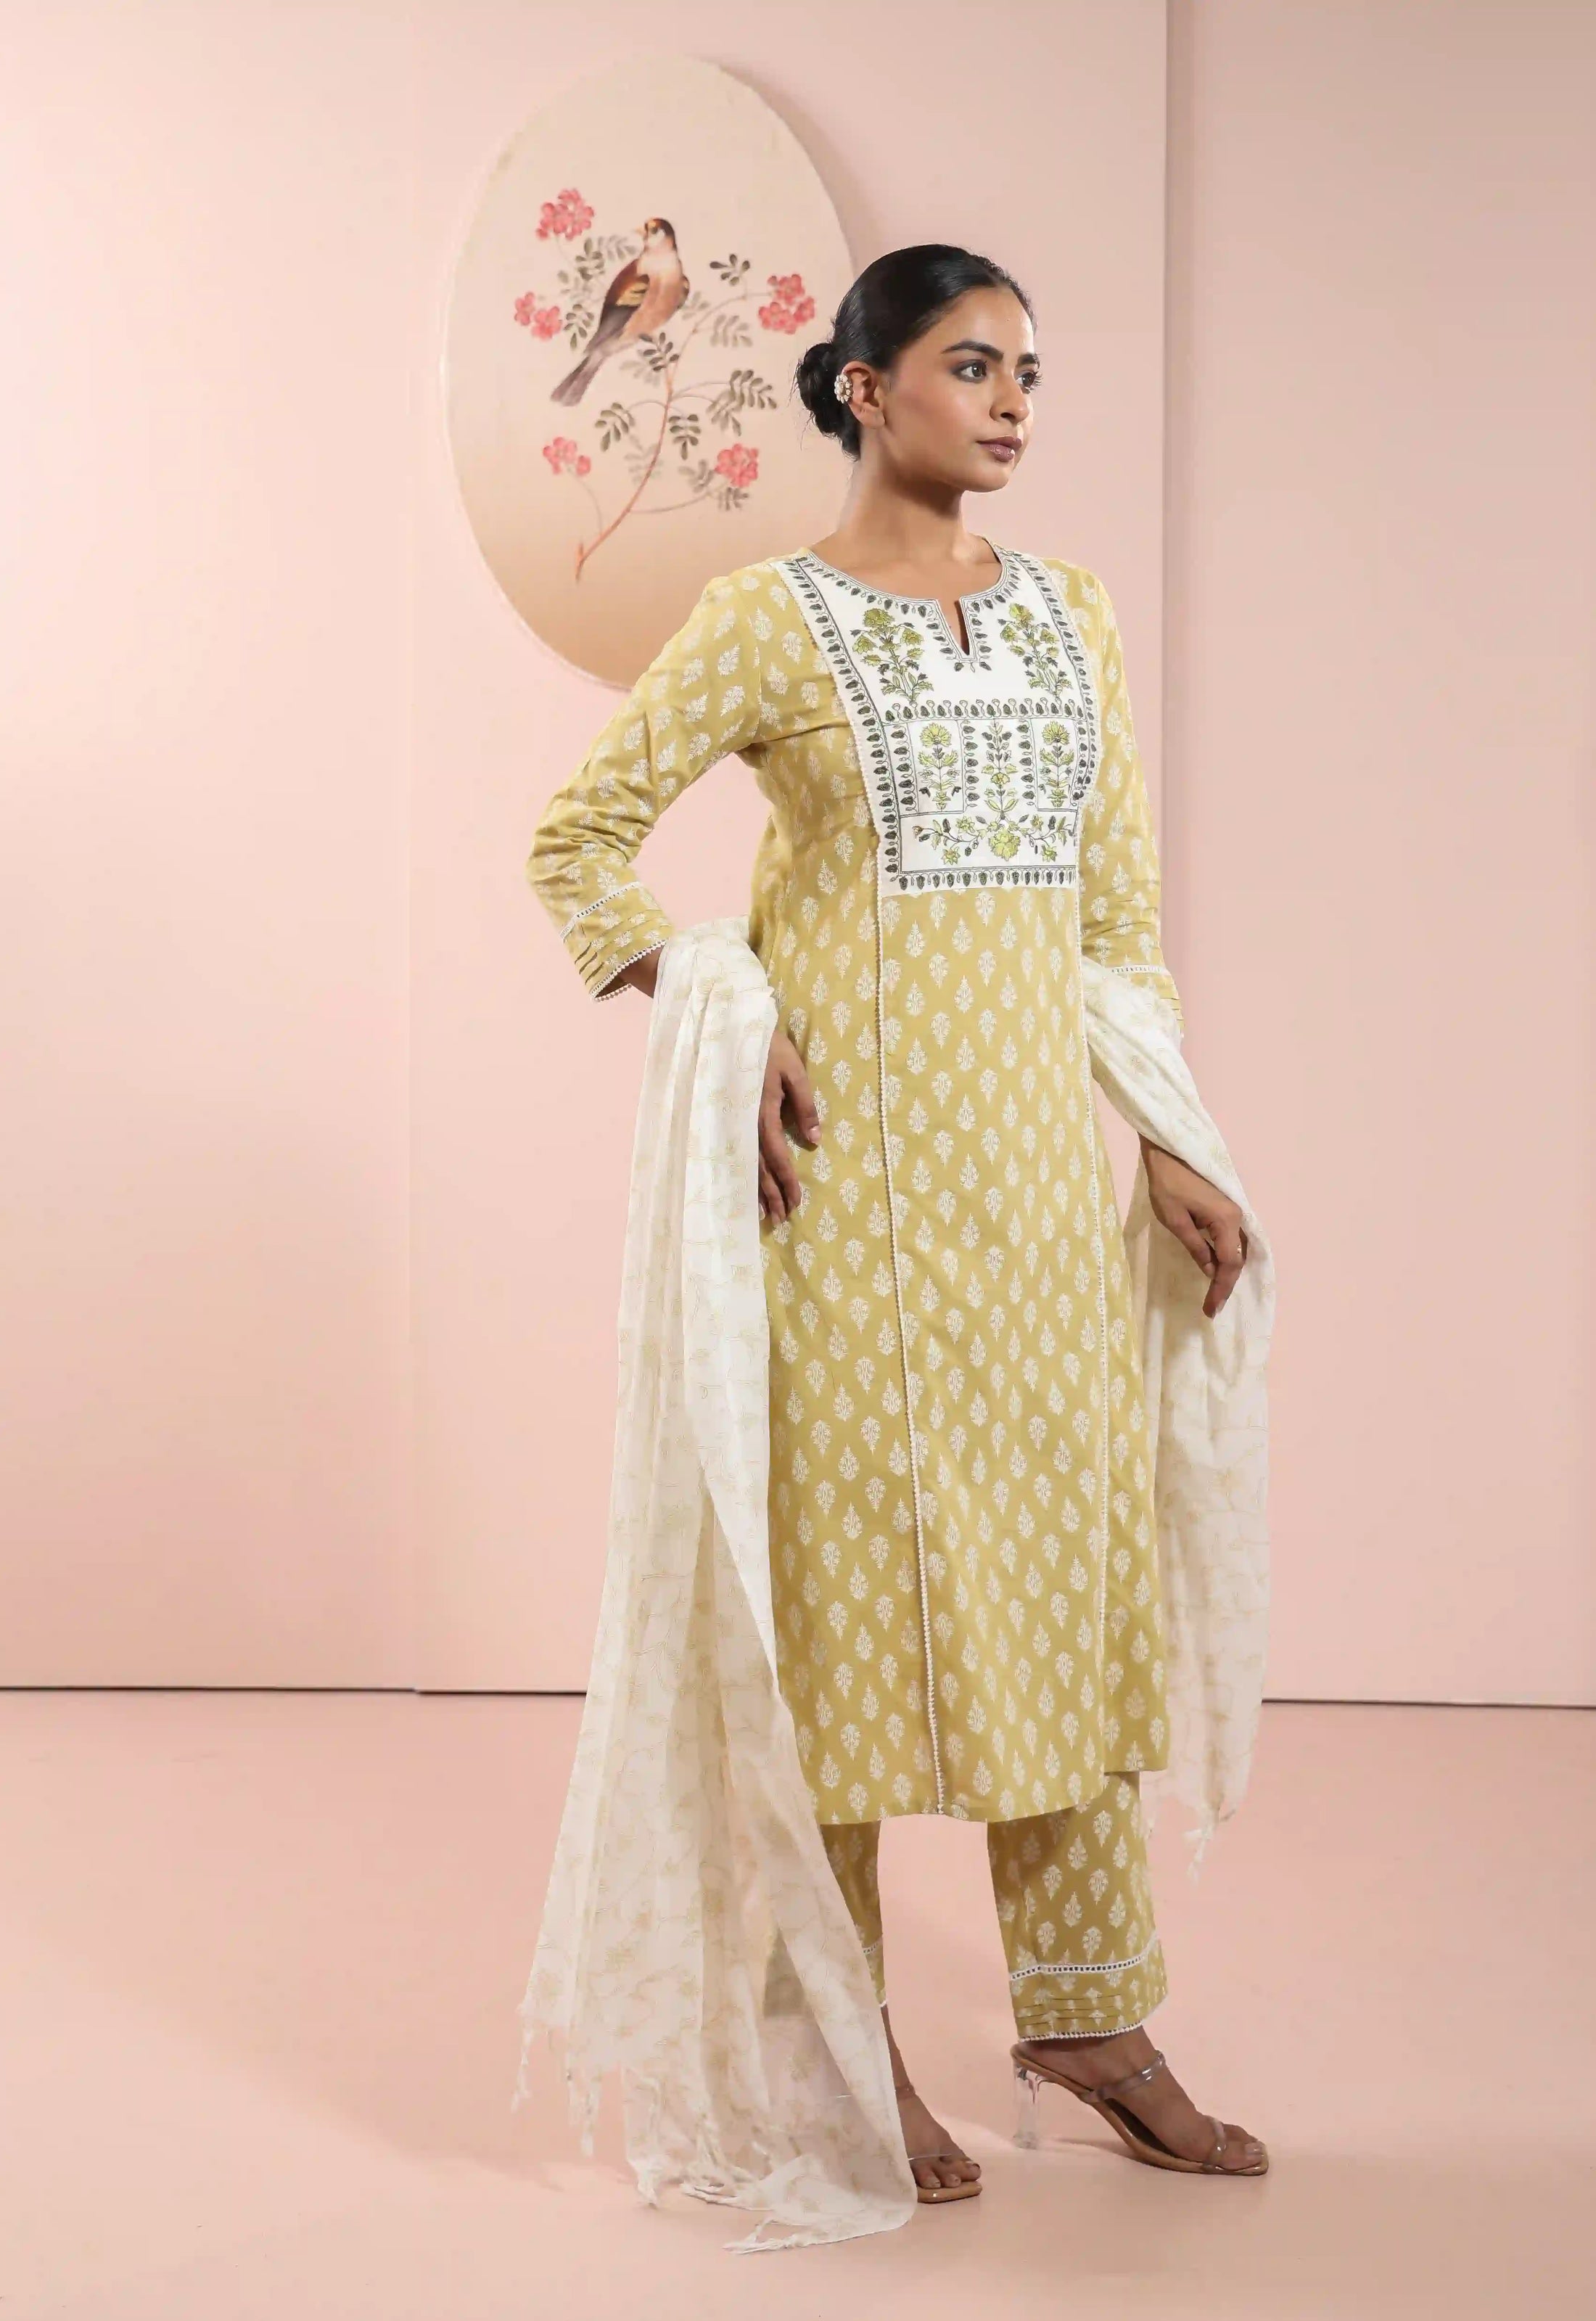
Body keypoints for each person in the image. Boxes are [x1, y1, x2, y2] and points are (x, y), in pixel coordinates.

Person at [523, 244, 1267, 2202]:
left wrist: (1170, 1138)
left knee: (1066, 1588)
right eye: (969, 364)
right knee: (837, 1619)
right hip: (837, 1207)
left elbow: (1115, 921)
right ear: (863, 387)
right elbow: (577, 842)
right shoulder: (769, 621)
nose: (1010, 402)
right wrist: (714, 999)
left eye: (1029, 370)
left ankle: (1090, 2016)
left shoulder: (1072, 619)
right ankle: (841, 2045)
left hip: (1032, 1206)